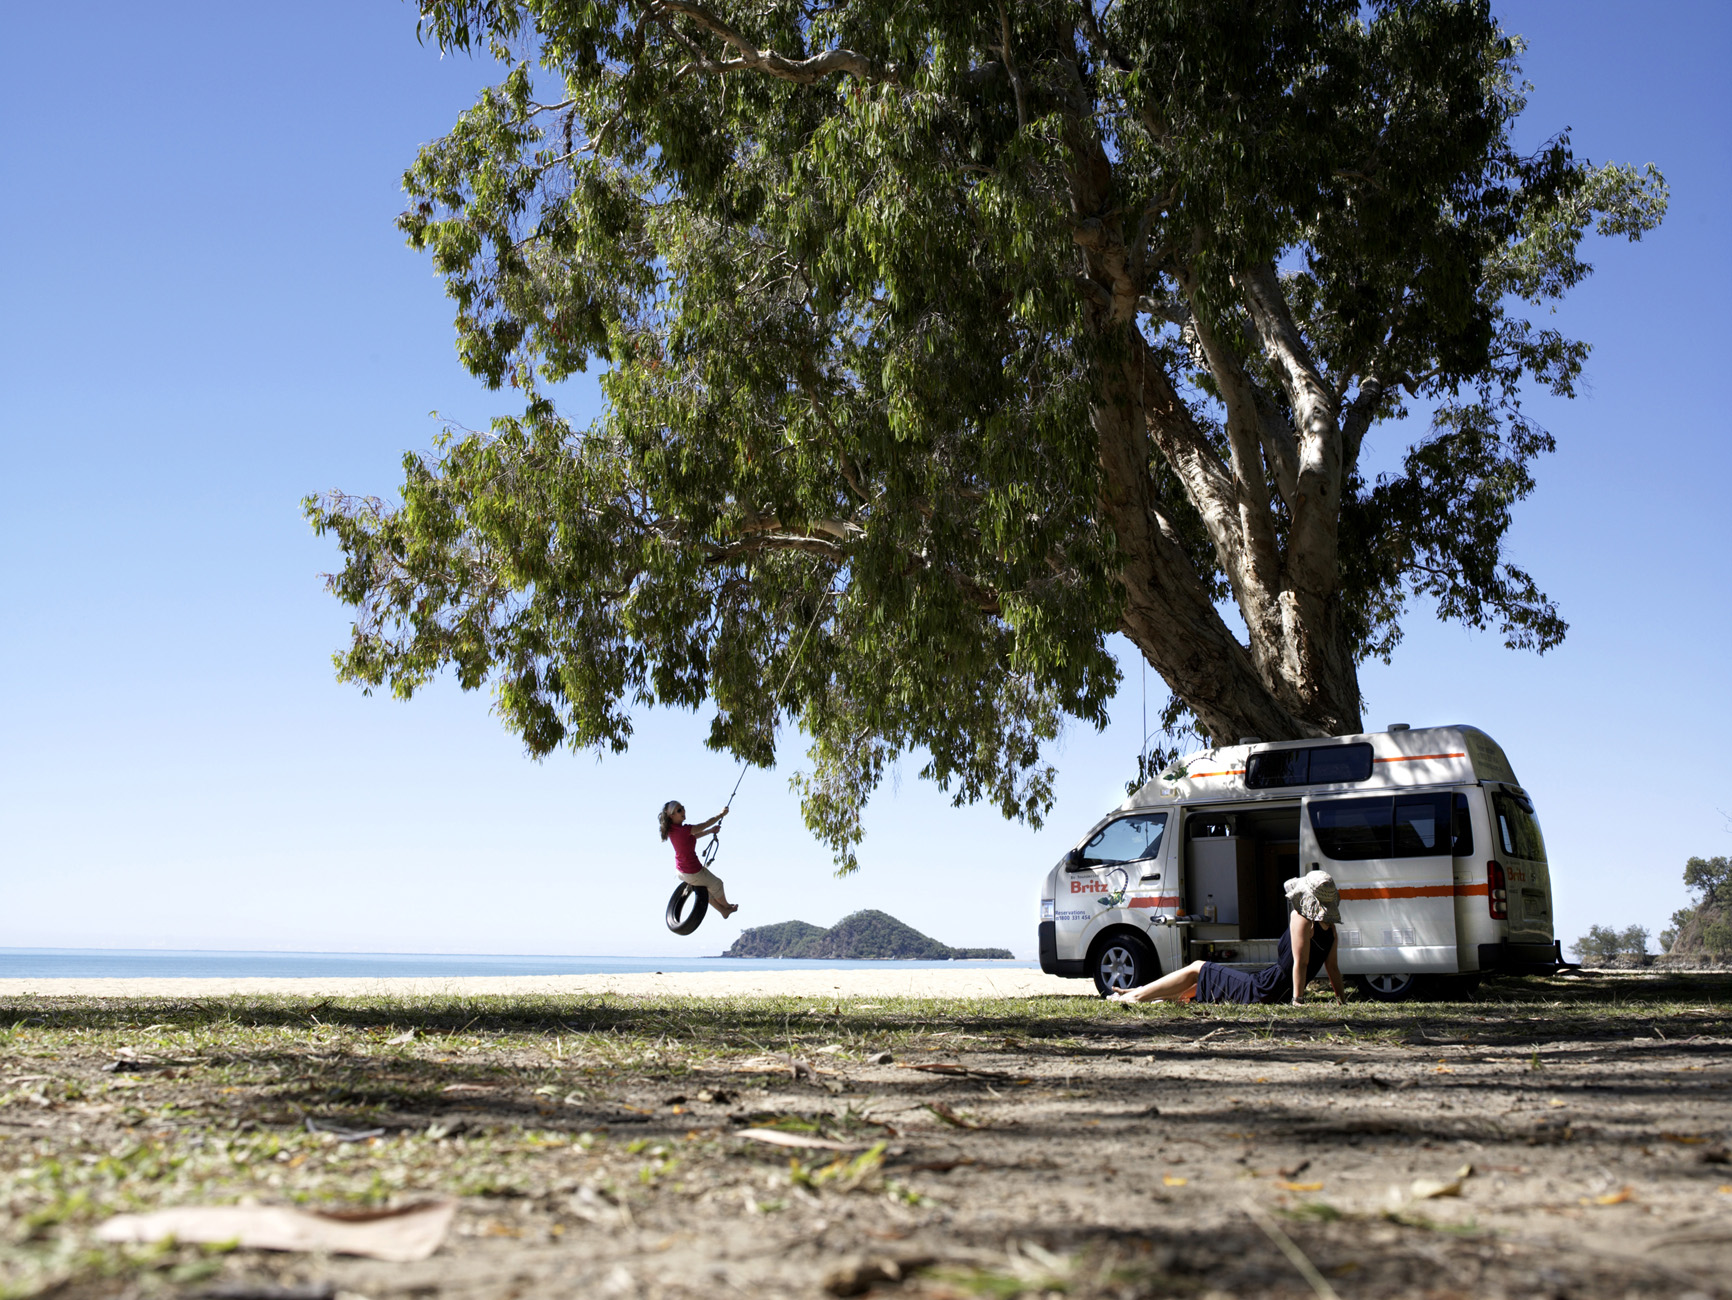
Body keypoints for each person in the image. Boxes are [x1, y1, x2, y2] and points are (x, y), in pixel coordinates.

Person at [1108, 870, 1347, 1006]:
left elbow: (1300, 963)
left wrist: (1298, 1000)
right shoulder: (1330, 931)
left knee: (1198, 968)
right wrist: (1341, 1000)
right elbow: (1333, 968)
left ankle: (1136, 996)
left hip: (1265, 989)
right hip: (1274, 991)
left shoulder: (1301, 918)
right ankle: (1143, 993)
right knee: (1198, 986)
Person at [658, 800, 739, 919]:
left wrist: (710, 831)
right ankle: (726, 906)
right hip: (693, 871)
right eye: (679, 810)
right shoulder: (683, 830)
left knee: (706, 888)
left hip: (681, 871)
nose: (683, 811)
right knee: (717, 884)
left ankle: (723, 911)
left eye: (683, 808)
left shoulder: (674, 830)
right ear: (671, 816)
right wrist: (721, 815)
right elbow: (704, 824)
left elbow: (692, 836)